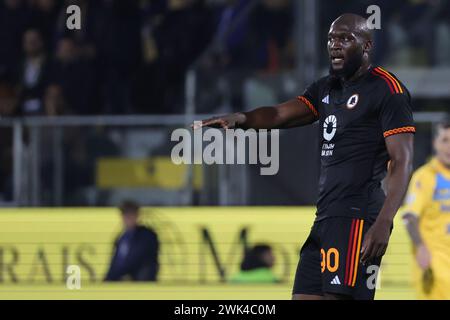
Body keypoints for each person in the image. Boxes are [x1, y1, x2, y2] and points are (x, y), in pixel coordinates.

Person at [194, 13, 415, 300]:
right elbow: (279, 114)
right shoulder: (325, 88)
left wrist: (385, 221)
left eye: (346, 38)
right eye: (332, 38)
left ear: (367, 46)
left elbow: (401, 161)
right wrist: (241, 118)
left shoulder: (388, 90)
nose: (335, 45)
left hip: (356, 217)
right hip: (324, 218)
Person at [402, 120, 450, 299]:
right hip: (435, 270)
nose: (449, 147)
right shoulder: (426, 176)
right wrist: (421, 247)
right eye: (445, 140)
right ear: (435, 144)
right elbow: (409, 217)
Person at [105, 201, 159, 281]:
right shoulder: (122, 238)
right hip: (120, 280)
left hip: (139, 281)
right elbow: (115, 263)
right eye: (125, 215)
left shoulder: (147, 236)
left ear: (137, 216)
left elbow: (138, 259)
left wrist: (123, 274)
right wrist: (108, 279)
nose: (128, 218)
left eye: (131, 215)